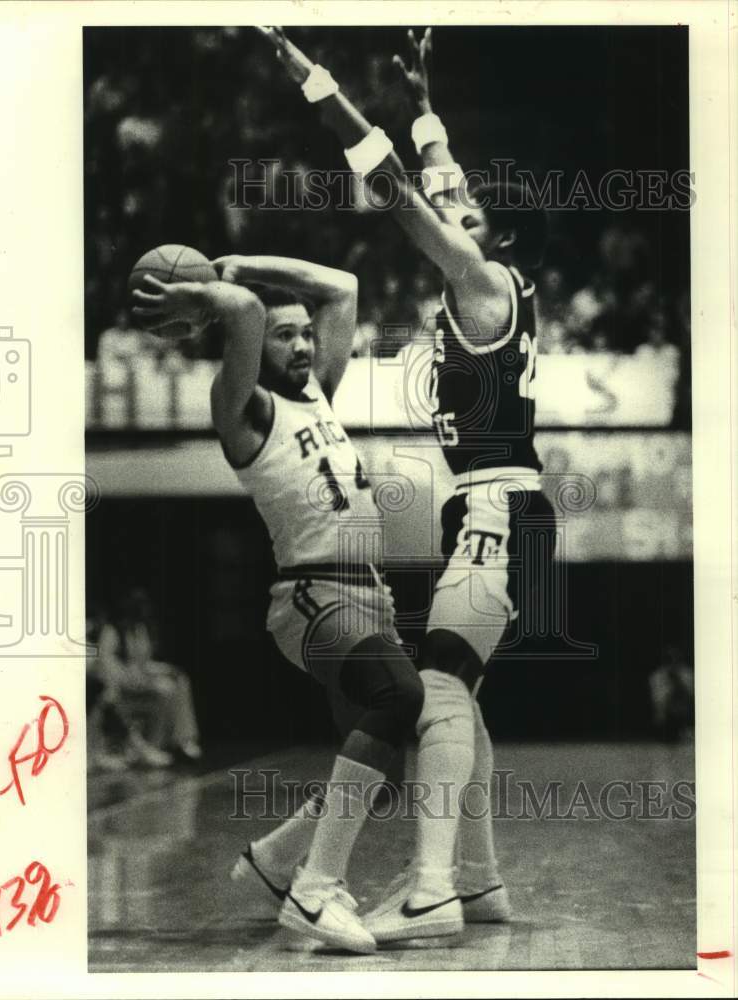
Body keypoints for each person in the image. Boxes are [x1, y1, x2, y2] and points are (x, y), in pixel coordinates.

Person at [263, 25, 556, 944]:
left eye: (463, 209)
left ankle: (430, 891)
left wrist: (319, 85)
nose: (449, 205)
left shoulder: (479, 277)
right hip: (498, 509)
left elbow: (396, 190)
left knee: (432, 693)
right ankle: (479, 880)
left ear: (487, 236)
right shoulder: (485, 282)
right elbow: (437, 174)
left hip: (498, 508)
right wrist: (427, 104)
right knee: (459, 699)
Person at [131, 255, 424, 954]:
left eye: (305, 334)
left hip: (369, 596)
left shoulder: (315, 394)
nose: (301, 345)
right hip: (314, 596)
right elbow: (242, 310)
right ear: (252, 350)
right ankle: (314, 891)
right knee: (399, 693)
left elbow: (344, 288)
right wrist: (215, 289)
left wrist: (246, 263)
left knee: (383, 778)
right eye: (283, 336)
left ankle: (274, 861)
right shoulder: (244, 409)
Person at [97, 588, 202, 765]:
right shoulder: (112, 630)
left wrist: (167, 669)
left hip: (141, 680)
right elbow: (108, 665)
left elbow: (144, 663)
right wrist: (132, 679)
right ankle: (156, 744)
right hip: (124, 686)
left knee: (180, 679)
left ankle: (184, 738)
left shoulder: (140, 628)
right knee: (166, 689)